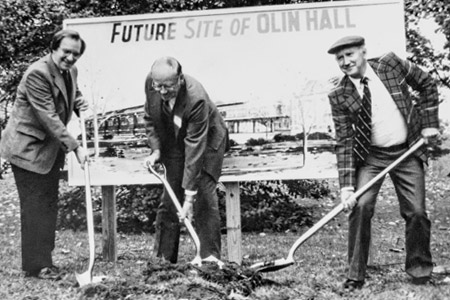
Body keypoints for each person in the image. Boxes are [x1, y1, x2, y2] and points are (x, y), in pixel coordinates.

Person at [327, 36, 440, 290]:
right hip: (372, 157)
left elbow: (427, 84)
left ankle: (420, 269)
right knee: (361, 205)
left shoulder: (390, 64)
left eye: (350, 55)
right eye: (340, 58)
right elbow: (344, 140)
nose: (346, 62)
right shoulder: (339, 95)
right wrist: (346, 187)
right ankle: (355, 275)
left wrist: (430, 123)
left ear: (363, 51)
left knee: (417, 212)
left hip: (407, 151)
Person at [0, 29, 89, 279]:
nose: (71, 58)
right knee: (35, 207)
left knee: (48, 205)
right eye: (66, 52)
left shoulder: (70, 70)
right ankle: (36, 265)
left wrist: (79, 102)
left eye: (76, 54)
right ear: (53, 49)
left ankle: (45, 260)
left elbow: (72, 93)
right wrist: (76, 147)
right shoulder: (37, 74)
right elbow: (48, 117)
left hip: (48, 150)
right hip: (27, 149)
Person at [144, 56, 228, 263]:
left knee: (203, 199)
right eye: (159, 86)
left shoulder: (195, 97)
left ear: (180, 79)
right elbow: (150, 119)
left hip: (207, 143)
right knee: (169, 198)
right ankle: (163, 261)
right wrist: (156, 151)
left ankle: (209, 259)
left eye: (168, 87)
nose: (162, 91)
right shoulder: (151, 83)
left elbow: (195, 147)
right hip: (176, 143)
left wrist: (189, 198)